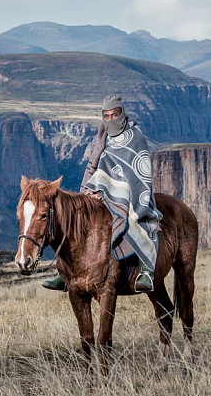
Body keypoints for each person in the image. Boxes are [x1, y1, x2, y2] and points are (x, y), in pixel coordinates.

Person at [42, 94, 162, 293]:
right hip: (100, 190)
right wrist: (86, 191)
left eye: (114, 115)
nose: (110, 120)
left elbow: (139, 174)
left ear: (122, 114)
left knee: (136, 222)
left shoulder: (135, 137)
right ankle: (64, 274)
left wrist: (109, 192)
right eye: (106, 116)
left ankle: (146, 271)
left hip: (129, 193)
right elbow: (93, 163)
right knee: (75, 221)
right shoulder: (102, 135)